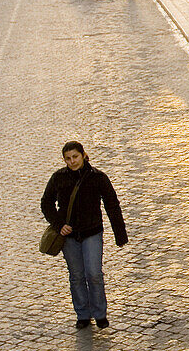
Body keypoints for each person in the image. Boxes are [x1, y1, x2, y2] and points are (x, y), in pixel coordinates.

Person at [40, 141, 128, 330]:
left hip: (92, 233)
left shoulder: (97, 177)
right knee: (77, 276)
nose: (72, 161)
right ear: (64, 160)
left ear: (83, 155)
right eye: (68, 158)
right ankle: (82, 315)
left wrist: (120, 235)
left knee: (94, 273)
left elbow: (112, 205)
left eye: (75, 157)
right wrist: (59, 224)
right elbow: (46, 203)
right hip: (69, 236)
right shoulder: (58, 178)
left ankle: (100, 314)